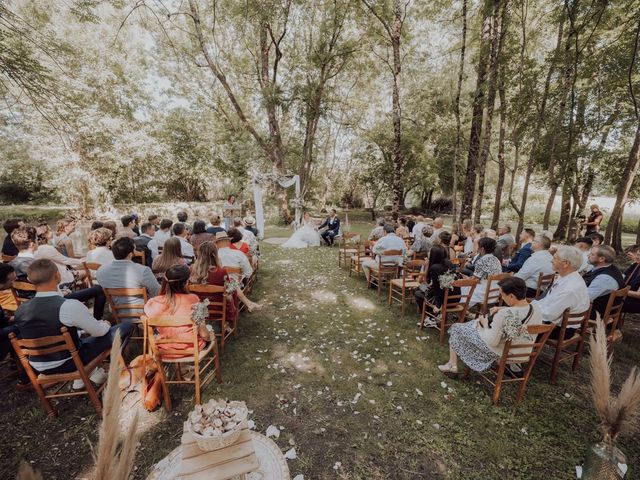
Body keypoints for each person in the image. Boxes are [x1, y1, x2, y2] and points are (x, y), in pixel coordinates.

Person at [15, 259, 134, 386]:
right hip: (70, 362)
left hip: (37, 366)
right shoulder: (68, 306)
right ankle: (106, 369)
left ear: (29, 280)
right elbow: (99, 332)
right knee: (126, 326)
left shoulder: (21, 310)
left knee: (84, 338)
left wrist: (82, 332)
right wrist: (105, 324)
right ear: (57, 275)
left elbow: (45, 331)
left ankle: (92, 373)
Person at [438, 276, 543, 374]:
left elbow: (492, 342)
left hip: (501, 352)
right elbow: (520, 311)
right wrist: (501, 308)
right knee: (471, 325)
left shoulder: (504, 315)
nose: (501, 297)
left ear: (511, 296)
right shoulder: (536, 308)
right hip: (522, 352)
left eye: (502, 295)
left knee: (457, 328)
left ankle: (452, 365)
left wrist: (485, 325)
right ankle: (515, 366)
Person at [143, 264, 212, 356]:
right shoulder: (193, 300)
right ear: (186, 283)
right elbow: (204, 335)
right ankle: (183, 368)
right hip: (191, 348)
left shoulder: (152, 303)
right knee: (207, 333)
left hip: (163, 348)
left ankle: (183, 369)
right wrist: (209, 335)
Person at [532, 246, 590, 339]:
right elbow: (547, 301)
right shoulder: (565, 276)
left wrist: (527, 311)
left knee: (510, 324)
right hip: (552, 321)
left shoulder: (570, 288)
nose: (551, 260)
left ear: (566, 263)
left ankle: (515, 351)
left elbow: (549, 315)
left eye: (555, 258)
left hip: (560, 330)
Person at [96, 237, 160, 316]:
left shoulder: (101, 271)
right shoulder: (143, 270)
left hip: (116, 310)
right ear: (130, 254)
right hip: (142, 311)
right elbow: (156, 291)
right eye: (134, 250)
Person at [190, 241, 237, 323]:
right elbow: (228, 293)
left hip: (196, 310)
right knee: (232, 290)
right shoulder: (221, 272)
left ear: (199, 254)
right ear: (215, 254)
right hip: (218, 310)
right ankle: (230, 319)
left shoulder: (191, 270)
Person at [414, 244, 459, 327]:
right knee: (420, 288)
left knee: (418, 292)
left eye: (430, 252)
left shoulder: (435, 267)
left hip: (444, 299)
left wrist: (438, 305)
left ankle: (430, 318)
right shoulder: (449, 263)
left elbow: (436, 288)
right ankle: (434, 315)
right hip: (455, 297)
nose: (428, 253)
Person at [215, 232, 261, 311]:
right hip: (236, 283)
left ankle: (247, 303)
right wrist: (240, 274)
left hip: (217, 284)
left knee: (229, 280)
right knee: (235, 280)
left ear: (216, 244)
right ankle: (247, 303)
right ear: (228, 242)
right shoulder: (238, 254)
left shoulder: (213, 256)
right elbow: (248, 273)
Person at [584, 245, 624, 319]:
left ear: (601, 259)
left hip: (595, 313)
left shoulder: (604, 278)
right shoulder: (611, 268)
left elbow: (585, 298)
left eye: (592, 254)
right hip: (594, 308)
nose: (588, 255)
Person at [464, 237, 503, 307]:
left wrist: (466, 279)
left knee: (461, 288)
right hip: (495, 293)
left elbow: (474, 281)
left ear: (482, 249)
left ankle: (462, 310)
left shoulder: (481, 261)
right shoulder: (496, 259)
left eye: (478, 247)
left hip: (483, 294)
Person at [622, 245, 640, 313]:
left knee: (610, 300)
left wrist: (620, 292)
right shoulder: (636, 266)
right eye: (637, 255)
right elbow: (624, 277)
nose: (637, 257)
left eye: (639, 255)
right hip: (628, 296)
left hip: (637, 302)